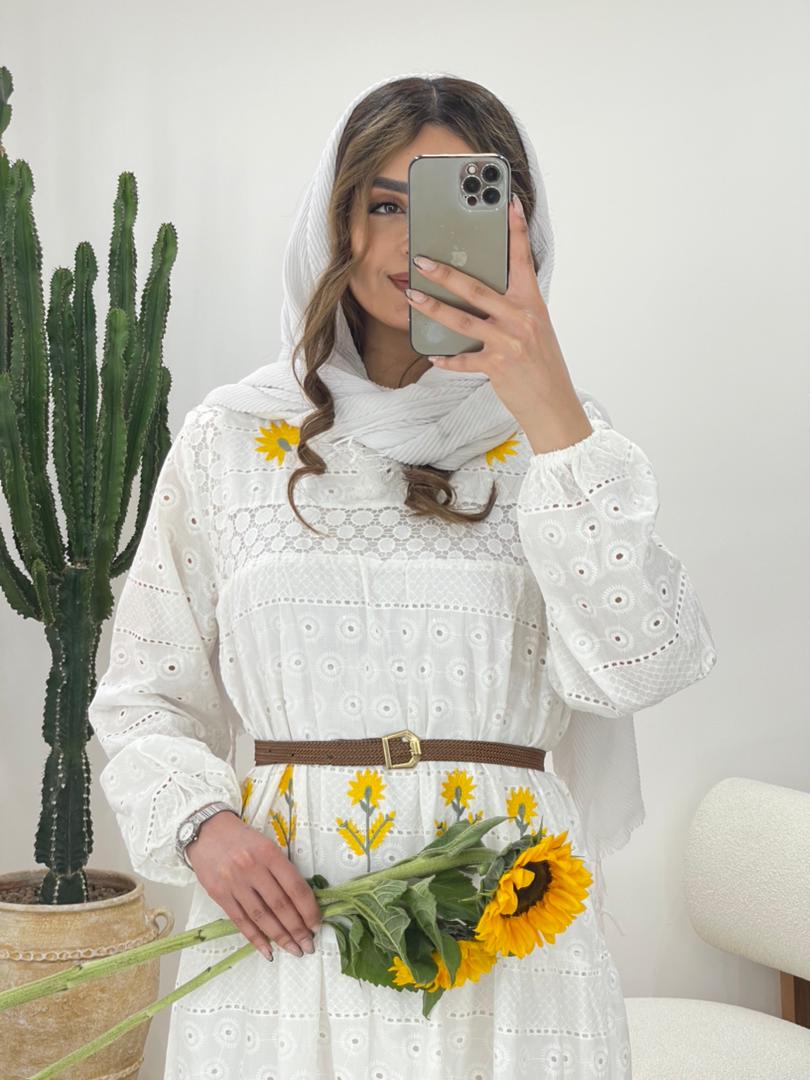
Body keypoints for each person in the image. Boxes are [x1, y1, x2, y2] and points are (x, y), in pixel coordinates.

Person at [89, 70, 718, 1080]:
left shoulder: (567, 448)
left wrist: (553, 414)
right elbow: (142, 697)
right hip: (287, 921)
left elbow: (641, 666)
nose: (413, 244)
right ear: (338, 222)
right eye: (385, 204)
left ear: (517, 234)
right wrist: (201, 824)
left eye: (452, 210)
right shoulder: (230, 440)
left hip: (506, 922)